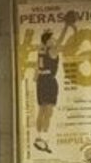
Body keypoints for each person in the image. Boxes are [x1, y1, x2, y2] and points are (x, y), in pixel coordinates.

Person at [33, 10, 78, 154]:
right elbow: (61, 40)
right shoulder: (52, 51)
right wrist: (66, 26)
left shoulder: (41, 51)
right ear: (48, 41)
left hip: (41, 81)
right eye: (51, 39)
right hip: (48, 81)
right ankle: (45, 138)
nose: (54, 40)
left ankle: (38, 137)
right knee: (49, 111)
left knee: (41, 110)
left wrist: (36, 78)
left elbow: (36, 70)